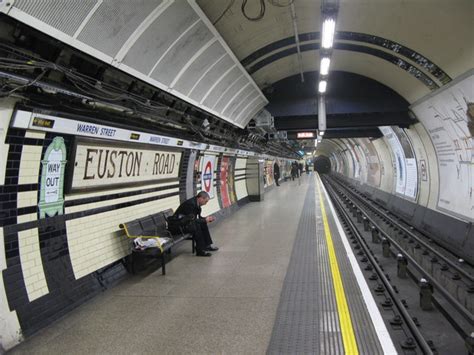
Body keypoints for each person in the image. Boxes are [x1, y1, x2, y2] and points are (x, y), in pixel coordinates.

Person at [173, 191, 218, 257]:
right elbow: (191, 220)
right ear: (200, 198)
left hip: (185, 223)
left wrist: (206, 219)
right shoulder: (190, 204)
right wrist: (205, 220)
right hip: (178, 226)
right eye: (205, 201)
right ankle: (200, 251)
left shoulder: (197, 204)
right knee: (196, 226)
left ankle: (207, 245)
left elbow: (196, 218)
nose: (206, 204)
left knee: (203, 224)